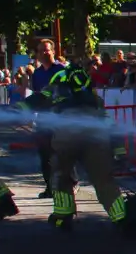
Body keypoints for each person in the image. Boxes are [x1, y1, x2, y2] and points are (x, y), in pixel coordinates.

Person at [18, 66, 127, 231]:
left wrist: (18, 107)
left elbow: (37, 100)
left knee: (61, 176)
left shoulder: (57, 93)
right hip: (97, 138)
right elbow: (111, 126)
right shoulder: (96, 101)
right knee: (104, 181)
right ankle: (121, 219)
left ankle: (63, 217)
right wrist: (119, 151)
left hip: (66, 138)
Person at [30, 39, 67, 198]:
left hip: (60, 119)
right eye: (40, 51)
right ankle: (50, 187)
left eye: (46, 50)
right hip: (43, 120)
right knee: (45, 156)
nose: (44, 53)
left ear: (53, 51)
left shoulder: (61, 70)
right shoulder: (37, 73)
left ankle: (69, 184)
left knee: (62, 154)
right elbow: (36, 95)